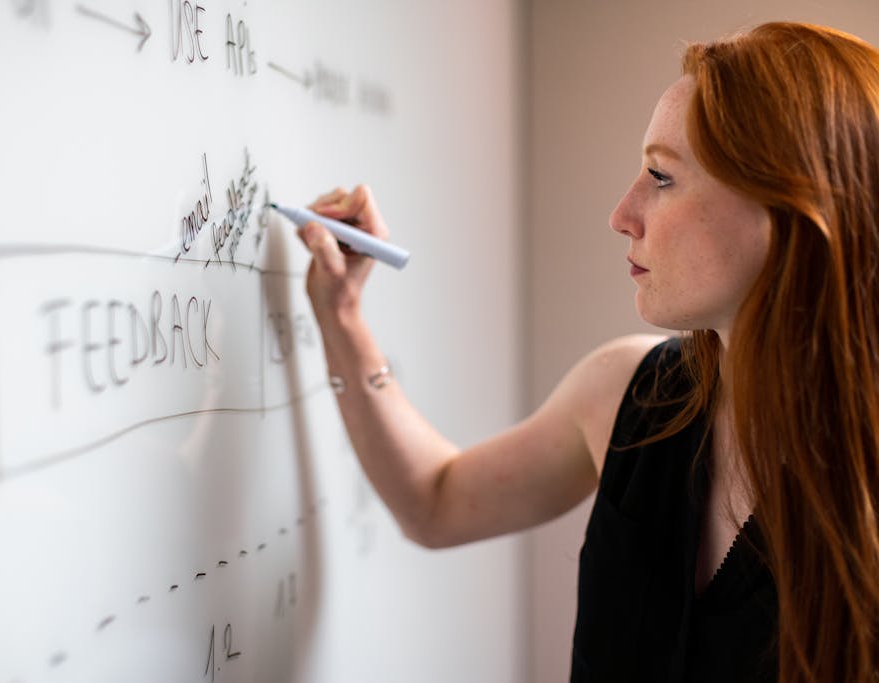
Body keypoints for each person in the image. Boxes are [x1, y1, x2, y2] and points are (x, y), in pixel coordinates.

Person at [297, 21, 879, 683]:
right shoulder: (630, 393)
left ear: (787, 212)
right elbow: (434, 500)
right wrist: (343, 317)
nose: (622, 213)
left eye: (661, 176)